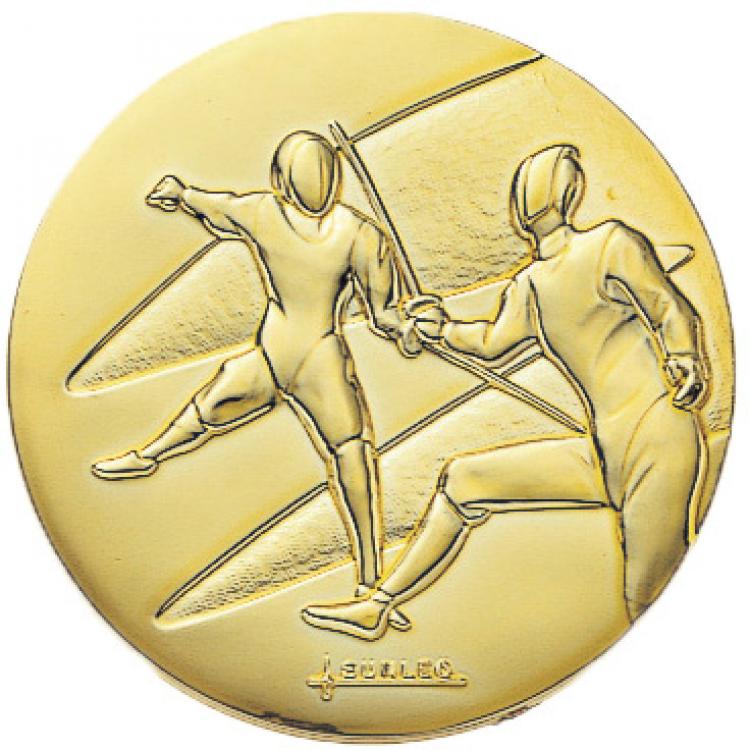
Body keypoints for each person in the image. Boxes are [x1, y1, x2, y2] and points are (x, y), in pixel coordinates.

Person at [301, 144, 707, 639]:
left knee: (649, 598)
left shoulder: (609, 243)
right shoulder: (530, 285)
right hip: (607, 452)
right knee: (464, 479)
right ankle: (378, 606)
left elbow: (666, 305)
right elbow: (491, 344)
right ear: (570, 192)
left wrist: (685, 357)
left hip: (658, 437)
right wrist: (439, 328)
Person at [92, 130, 418, 628]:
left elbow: (386, 315)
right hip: (278, 355)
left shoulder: (355, 233)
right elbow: (213, 202)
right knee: (220, 402)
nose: (315, 186)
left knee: (352, 456)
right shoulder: (286, 218)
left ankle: (371, 582)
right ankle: (148, 456)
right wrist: (181, 193)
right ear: (284, 181)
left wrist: (413, 326)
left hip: (318, 362)